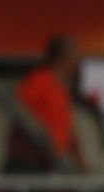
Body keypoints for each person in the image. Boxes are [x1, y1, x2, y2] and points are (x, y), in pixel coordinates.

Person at [5, 35, 85, 173]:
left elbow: (65, 132)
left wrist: (77, 161)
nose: (78, 61)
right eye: (74, 54)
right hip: (28, 162)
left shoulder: (61, 89)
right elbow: (21, 113)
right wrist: (44, 139)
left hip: (48, 164)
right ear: (62, 56)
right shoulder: (40, 80)